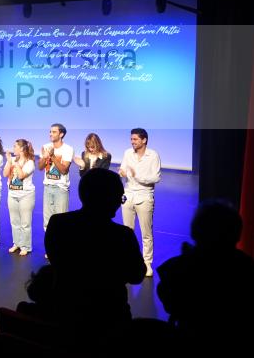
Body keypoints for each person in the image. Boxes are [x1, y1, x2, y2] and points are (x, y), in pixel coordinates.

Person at [44, 169, 146, 349]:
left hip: (64, 313)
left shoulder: (58, 224)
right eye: (120, 198)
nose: (119, 202)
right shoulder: (122, 236)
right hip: (110, 321)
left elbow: (55, 259)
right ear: (110, 199)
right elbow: (136, 275)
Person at [157, 200, 254, 357]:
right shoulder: (247, 266)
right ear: (236, 233)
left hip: (191, 345)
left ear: (196, 231)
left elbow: (170, 305)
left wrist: (188, 259)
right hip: (241, 347)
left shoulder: (178, 267)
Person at [118, 127, 161, 277]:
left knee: (146, 233)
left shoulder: (153, 155)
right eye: (131, 139)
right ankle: (128, 260)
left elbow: (156, 177)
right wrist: (122, 172)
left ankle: (146, 263)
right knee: (127, 232)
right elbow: (123, 169)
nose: (132, 141)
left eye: (135, 139)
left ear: (144, 140)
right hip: (128, 195)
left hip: (144, 196)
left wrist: (137, 176)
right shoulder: (127, 153)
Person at [38, 123, 74, 232]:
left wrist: (52, 156)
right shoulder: (45, 146)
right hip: (47, 187)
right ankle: (49, 242)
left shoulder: (68, 149)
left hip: (61, 189)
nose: (50, 134)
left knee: (61, 221)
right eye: (50, 131)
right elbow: (40, 167)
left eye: (54, 132)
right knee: (47, 222)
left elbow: (64, 170)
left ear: (61, 134)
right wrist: (44, 157)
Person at [4, 139, 36, 256]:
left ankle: (26, 246)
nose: (13, 148)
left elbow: (21, 175)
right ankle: (17, 243)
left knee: (25, 223)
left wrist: (15, 163)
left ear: (22, 149)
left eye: (15, 146)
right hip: (12, 194)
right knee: (14, 221)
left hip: (25, 195)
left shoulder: (30, 162)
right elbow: (5, 174)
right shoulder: (12, 159)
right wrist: (9, 162)